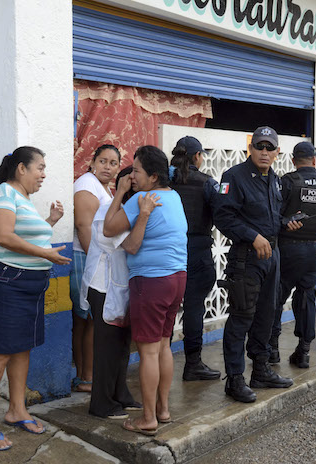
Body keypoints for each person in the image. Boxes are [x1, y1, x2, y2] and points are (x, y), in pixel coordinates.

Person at [0, 147, 70, 451]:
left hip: (27, 283)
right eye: (39, 167)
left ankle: (16, 410)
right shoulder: (3, 193)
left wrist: (49, 222)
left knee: (21, 348)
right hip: (5, 282)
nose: (44, 174)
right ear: (20, 169)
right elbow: (2, 236)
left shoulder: (22, 199)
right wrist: (46, 254)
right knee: (0, 351)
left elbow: (24, 237)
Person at [103, 145, 187, 436]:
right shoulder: (174, 197)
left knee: (148, 352)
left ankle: (148, 418)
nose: (132, 175)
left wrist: (119, 192)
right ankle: (163, 410)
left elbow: (108, 228)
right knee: (164, 346)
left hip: (150, 282)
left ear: (152, 176)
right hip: (177, 278)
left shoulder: (141, 199)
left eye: (136, 170)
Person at [214, 126, 301, 403]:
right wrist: (253, 236)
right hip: (247, 259)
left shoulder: (274, 180)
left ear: (277, 152)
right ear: (250, 149)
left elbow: (271, 218)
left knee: (267, 313)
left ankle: (261, 370)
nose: (264, 152)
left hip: (272, 256)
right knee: (242, 316)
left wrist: (286, 224)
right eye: (259, 146)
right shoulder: (234, 177)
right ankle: (235, 378)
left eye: (269, 148)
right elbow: (223, 216)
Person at [82, 167, 146, 420]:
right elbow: (130, 245)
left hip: (120, 288)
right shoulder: (108, 210)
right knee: (107, 348)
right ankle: (101, 403)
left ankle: (120, 394)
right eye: (134, 182)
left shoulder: (129, 210)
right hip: (104, 287)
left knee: (121, 346)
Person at [270, 141, 316, 369]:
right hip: (312, 252)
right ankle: (304, 352)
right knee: (307, 299)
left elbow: (274, 215)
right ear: (314, 160)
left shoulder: (287, 181)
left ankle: (272, 351)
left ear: (293, 160)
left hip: (287, 250)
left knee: (276, 299)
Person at [169, 136, 221, 381]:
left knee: (166, 309)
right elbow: (223, 212)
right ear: (198, 157)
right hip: (198, 252)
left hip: (167, 253)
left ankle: (160, 361)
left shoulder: (164, 182)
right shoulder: (208, 183)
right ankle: (193, 364)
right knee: (194, 309)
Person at [70, 144, 121, 393]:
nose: (107, 167)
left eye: (113, 163)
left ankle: (84, 375)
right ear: (92, 163)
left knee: (85, 320)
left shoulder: (102, 188)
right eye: (103, 161)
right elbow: (83, 225)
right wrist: (97, 262)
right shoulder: (87, 184)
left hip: (92, 258)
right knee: (89, 319)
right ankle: (87, 377)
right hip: (85, 258)